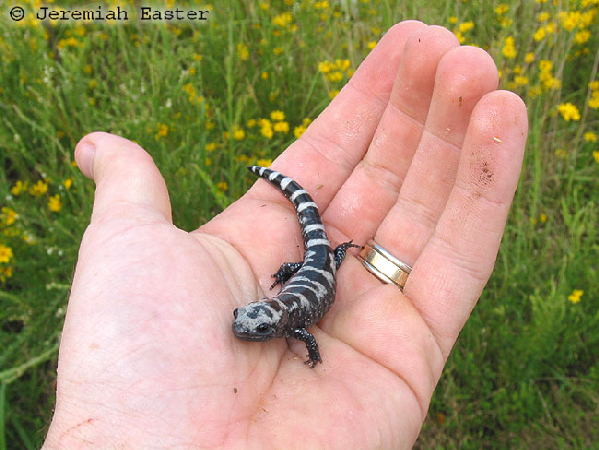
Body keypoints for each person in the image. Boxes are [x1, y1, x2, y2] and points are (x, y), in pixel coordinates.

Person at [42, 21, 527, 449]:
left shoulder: (293, 326)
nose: (243, 327)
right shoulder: (287, 322)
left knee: (321, 248)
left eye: (251, 325)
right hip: (309, 273)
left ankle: (318, 234)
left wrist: (314, 276)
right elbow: (304, 333)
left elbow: (308, 340)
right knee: (314, 245)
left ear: (274, 325)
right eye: (249, 322)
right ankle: (303, 216)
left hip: (314, 269)